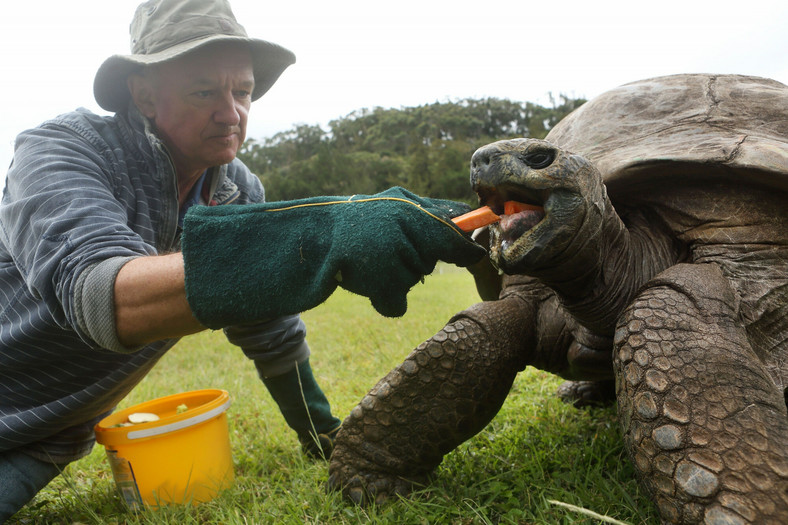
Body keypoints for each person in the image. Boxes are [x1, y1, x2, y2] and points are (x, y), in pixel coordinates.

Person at [0, 0, 485, 520]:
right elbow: (102, 299)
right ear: (143, 94)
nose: (231, 114)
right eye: (204, 91)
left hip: (49, 437)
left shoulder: (236, 191)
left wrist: (323, 436)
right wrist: (314, 238)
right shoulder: (62, 151)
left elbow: (268, 331)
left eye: (244, 92)